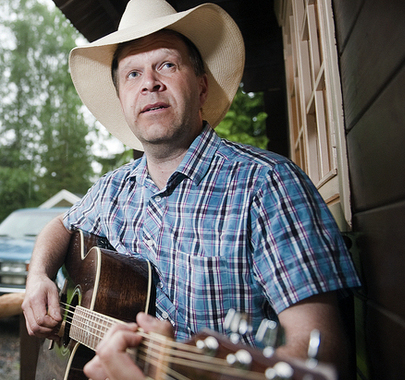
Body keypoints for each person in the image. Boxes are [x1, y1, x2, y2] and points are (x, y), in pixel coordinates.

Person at [21, 0, 361, 379]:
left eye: (166, 64)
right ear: (122, 100)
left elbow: (321, 353)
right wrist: (39, 277)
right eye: (132, 73)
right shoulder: (113, 188)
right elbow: (60, 225)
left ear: (201, 87)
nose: (149, 82)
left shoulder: (268, 185)